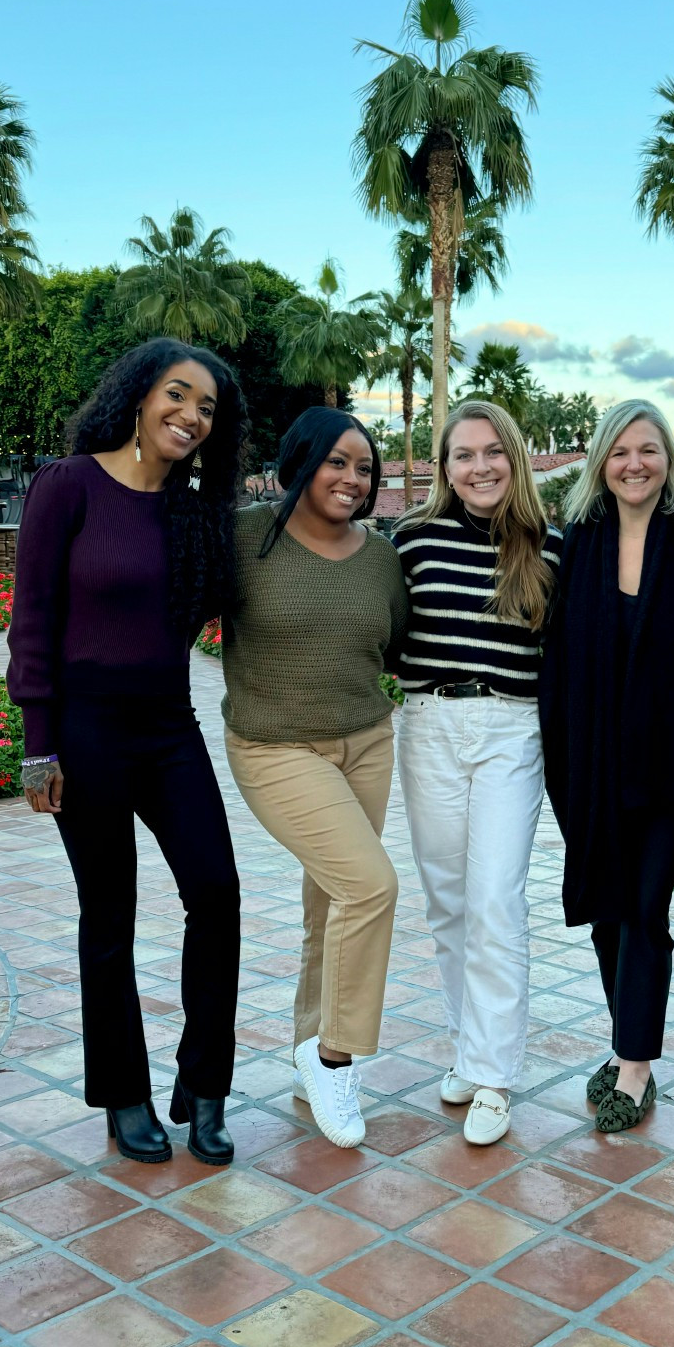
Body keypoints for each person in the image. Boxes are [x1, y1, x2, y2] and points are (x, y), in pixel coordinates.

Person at [7, 339, 247, 1167]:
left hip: (170, 725)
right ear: (139, 399)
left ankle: (204, 1088)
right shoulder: (67, 486)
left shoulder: (194, 509)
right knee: (109, 915)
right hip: (87, 728)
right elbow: (31, 618)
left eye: (207, 407)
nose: (190, 415)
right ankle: (124, 1095)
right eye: (177, 396)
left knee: (216, 892)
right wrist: (40, 746)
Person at [222, 409, 407, 1151]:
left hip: (366, 742)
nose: (352, 479)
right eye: (336, 462)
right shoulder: (245, 538)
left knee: (332, 903)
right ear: (299, 461)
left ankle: (307, 1049)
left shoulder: (380, 558)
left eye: (364, 468)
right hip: (273, 747)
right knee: (370, 886)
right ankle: (335, 1057)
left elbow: (393, 645)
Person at [541, 399, 674, 1133]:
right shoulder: (576, 542)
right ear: (599, 462)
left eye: (648, 450)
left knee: (645, 909)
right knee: (606, 912)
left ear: (669, 459)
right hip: (588, 761)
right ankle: (626, 1044)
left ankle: (636, 1064)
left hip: (669, 764)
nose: (634, 464)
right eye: (620, 452)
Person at [393, 400, 561, 1145]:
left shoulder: (550, 546)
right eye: (463, 454)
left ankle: (493, 1075)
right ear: (444, 466)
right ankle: (469, 1044)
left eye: (493, 451)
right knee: (449, 900)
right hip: (428, 723)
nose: (480, 466)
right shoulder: (410, 542)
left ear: (515, 458)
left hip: (510, 731)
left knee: (496, 898)